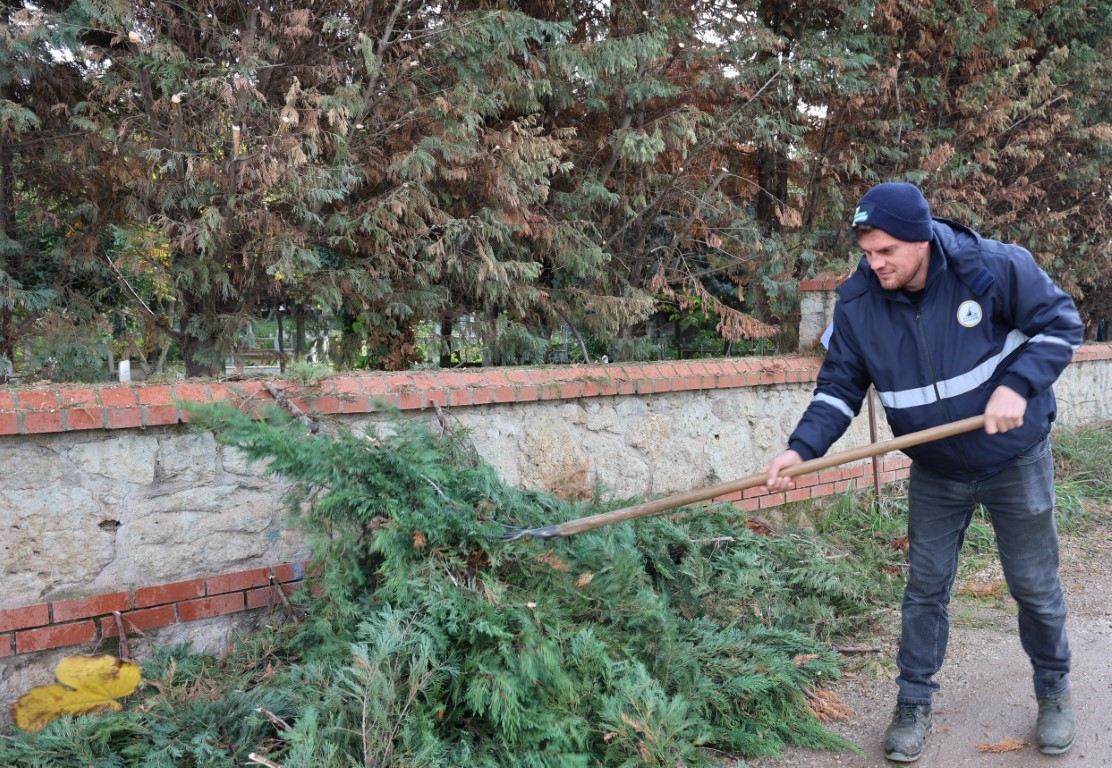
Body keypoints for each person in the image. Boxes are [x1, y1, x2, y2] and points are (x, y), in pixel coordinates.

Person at [764, 182, 1083, 762]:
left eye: (885, 251)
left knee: (1034, 587)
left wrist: (1017, 385)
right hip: (936, 468)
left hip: (1014, 457)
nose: (874, 263)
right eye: (866, 251)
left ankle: (1053, 690)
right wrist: (801, 450)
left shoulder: (993, 268)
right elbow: (838, 388)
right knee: (925, 589)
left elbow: (1062, 325)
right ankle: (913, 701)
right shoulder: (859, 304)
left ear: (921, 240)